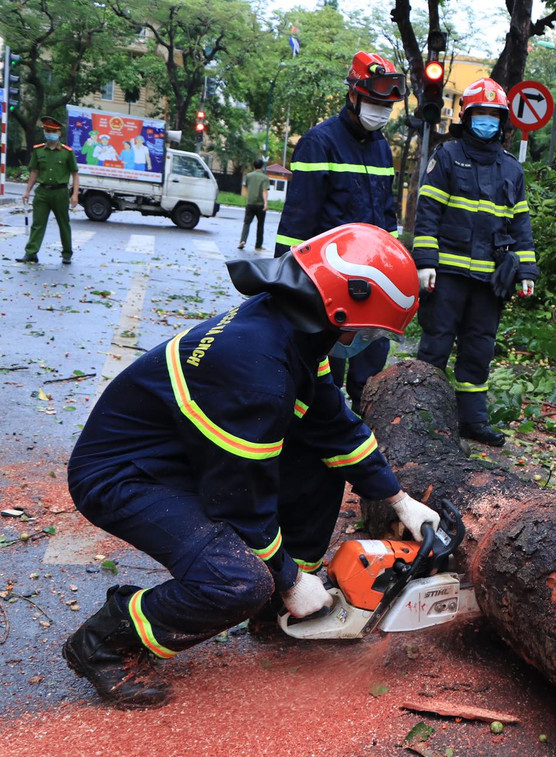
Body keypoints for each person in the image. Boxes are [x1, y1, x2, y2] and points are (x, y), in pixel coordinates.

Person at [62, 222, 441, 709]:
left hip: (188, 459)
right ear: (341, 308)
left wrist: (397, 498)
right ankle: (105, 641)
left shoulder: (296, 334)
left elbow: (336, 430)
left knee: (324, 462)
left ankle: (276, 613)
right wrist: (285, 577)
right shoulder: (255, 368)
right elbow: (241, 501)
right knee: (238, 580)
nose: (368, 340)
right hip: (124, 476)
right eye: (369, 330)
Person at [274, 51, 404, 416]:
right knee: (322, 371)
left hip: (372, 279)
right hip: (326, 280)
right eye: (374, 101)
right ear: (353, 94)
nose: (380, 110)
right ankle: (315, 439)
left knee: (371, 361)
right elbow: (297, 220)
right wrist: (285, 284)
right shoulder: (319, 142)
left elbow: (387, 216)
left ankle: (362, 437)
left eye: (386, 105)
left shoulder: (381, 148)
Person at [412, 77, 539, 447]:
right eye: (480, 115)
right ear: (467, 118)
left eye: (493, 115)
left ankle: (472, 422)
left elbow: (521, 225)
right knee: (435, 347)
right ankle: (424, 420)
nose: (487, 122)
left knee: (479, 350)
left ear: (502, 121)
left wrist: (527, 270)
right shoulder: (448, 157)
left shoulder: (512, 169)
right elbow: (428, 213)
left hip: (489, 283)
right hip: (447, 276)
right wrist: (424, 262)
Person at [18, 116, 80, 266]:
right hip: (43, 193)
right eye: (47, 130)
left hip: (60, 193)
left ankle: (67, 254)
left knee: (63, 224)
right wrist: (27, 191)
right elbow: (34, 172)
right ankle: (31, 253)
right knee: (37, 224)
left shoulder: (67, 152)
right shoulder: (39, 151)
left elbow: (75, 173)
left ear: (59, 133)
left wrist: (75, 194)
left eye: (53, 131)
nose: (50, 133)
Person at [239, 158, 270, 250]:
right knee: (260, 225)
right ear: (262, 166)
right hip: (260, 205)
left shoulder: (249, 176)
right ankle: (258, 244)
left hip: (250, 203)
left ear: (254, 166)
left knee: (246, 223)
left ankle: (243, 240)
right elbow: (264, 190)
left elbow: (246, 187)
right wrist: (266, 203)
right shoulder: (264, 177)